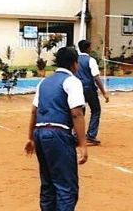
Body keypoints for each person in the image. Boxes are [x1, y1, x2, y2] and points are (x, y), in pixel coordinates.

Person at [24, 46, 88, 211]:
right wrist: (83, 143)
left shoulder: (44, 82)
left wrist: (30, 137)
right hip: (58, 134)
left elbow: (34, 111)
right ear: (74, 64)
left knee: (48, 184)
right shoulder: (72, 81)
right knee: (66, 187)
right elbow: (76, 113)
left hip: (40, 132)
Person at [76, 40, 109, 145]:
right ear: (88, 48)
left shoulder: (75, 59)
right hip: (88, 88)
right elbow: (96, 77)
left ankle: (76, 135)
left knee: (79, 111)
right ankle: (91, 135)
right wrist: (104, 92)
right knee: (96, 110)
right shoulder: (91, 60)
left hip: (76, 88)